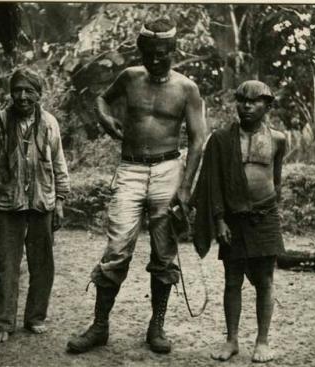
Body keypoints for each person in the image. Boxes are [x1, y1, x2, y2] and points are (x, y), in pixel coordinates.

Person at [66, 18, 205, 354]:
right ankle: (99, 326)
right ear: (141, 50)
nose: (156, 60)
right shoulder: (129, 77)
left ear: (173, 50)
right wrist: (105, 117)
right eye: (150, 53)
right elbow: (101, 99)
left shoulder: (186, 88)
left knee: (164, 252)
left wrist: (185, 189)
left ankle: (156, 327)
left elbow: (200, 139)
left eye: (163, 54)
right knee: (116, 249)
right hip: (130, 169)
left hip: (168, 169)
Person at [193, 80, 286, 363]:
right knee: (232, 280)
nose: (246, 106)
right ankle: (231, 340)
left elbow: (276, 179)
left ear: (267, 106)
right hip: (233, 218)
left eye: (255, 101)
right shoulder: (221, 139)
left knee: (265, 280)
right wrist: (220, 220)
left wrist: (268, 206)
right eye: (242, 100)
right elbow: (215, 184)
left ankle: (263, 341)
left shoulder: (278, 139)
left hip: (265, 215)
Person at [0, 67, 70, 343]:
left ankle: (35, 317)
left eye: (28, 91)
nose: (21, 97)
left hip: (42, 201)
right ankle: (4, 322)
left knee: (42, 264)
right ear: (11, 93)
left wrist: (60, 200)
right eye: (17, 90)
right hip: (8, 203)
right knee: (6, 264)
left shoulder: (49, 123)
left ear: (38, 94)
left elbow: (58, 162)